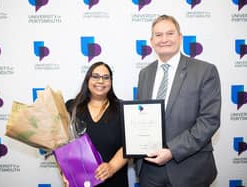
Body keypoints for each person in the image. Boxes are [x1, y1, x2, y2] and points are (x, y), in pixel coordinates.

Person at [135, 15, 221, 187]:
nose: (164, 39)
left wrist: (172, 151)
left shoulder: (205, 71)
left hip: (189, 169)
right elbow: (142, 117)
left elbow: (209, 121)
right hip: (149, 170)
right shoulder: (145, 73)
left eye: (170, 33)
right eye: (158, 35)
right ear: (151, 41)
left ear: (180, 37)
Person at [64, 61, 129, 187]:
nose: (100, 81)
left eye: (106, 77)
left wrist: (111, 167)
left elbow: (129, 145)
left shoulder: (123, 108)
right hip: (79, 181)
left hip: (114, 180)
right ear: (87, 80)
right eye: (95, 76)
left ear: (111, 82)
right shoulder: (72, 107)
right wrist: (66, 172)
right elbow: (62, 144)